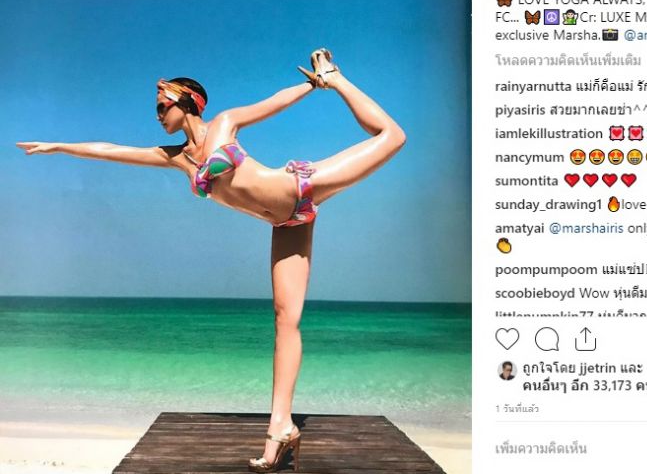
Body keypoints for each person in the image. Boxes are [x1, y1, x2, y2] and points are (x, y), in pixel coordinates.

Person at [16, 48, 406, 473]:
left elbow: (273, 103)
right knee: (285, 320)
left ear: (185, 102)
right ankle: (280, 428)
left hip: (301, 186)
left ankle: (339, 78)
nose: (157, 116)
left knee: (392, 136)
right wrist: (59, 146)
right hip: (287, 223)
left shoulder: (224, 123)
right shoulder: (176, 157)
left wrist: (316, 83)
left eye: (161, 107)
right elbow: (113, 150)